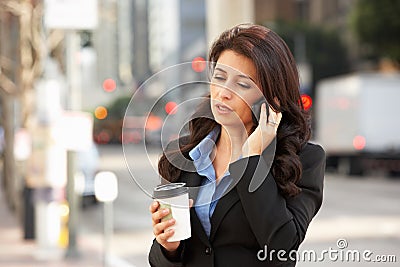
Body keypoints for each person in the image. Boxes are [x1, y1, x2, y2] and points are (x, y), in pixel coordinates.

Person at [148, 24, 325, 267]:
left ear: (271, 99)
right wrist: (168, 248)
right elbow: (159, 261)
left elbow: (283, 248)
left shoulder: (304, 159)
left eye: (242, 85)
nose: (223, 93)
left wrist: (251, 158)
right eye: (220, 78)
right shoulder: (182, 156)